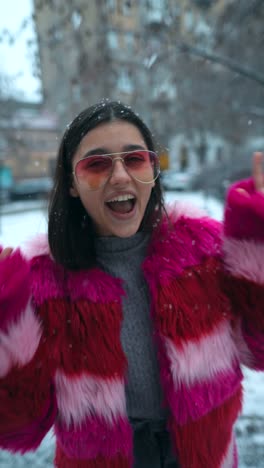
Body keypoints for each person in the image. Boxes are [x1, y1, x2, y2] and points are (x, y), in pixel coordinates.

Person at [0, 100, 263, 468]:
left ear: (152, 170)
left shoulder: (202, 252)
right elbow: (19, 428)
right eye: (97, 164)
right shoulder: (44, 285)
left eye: (135, 159)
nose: (121, 176)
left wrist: (258, 243)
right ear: (73, 184)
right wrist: (5, 319)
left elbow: (259, 349)